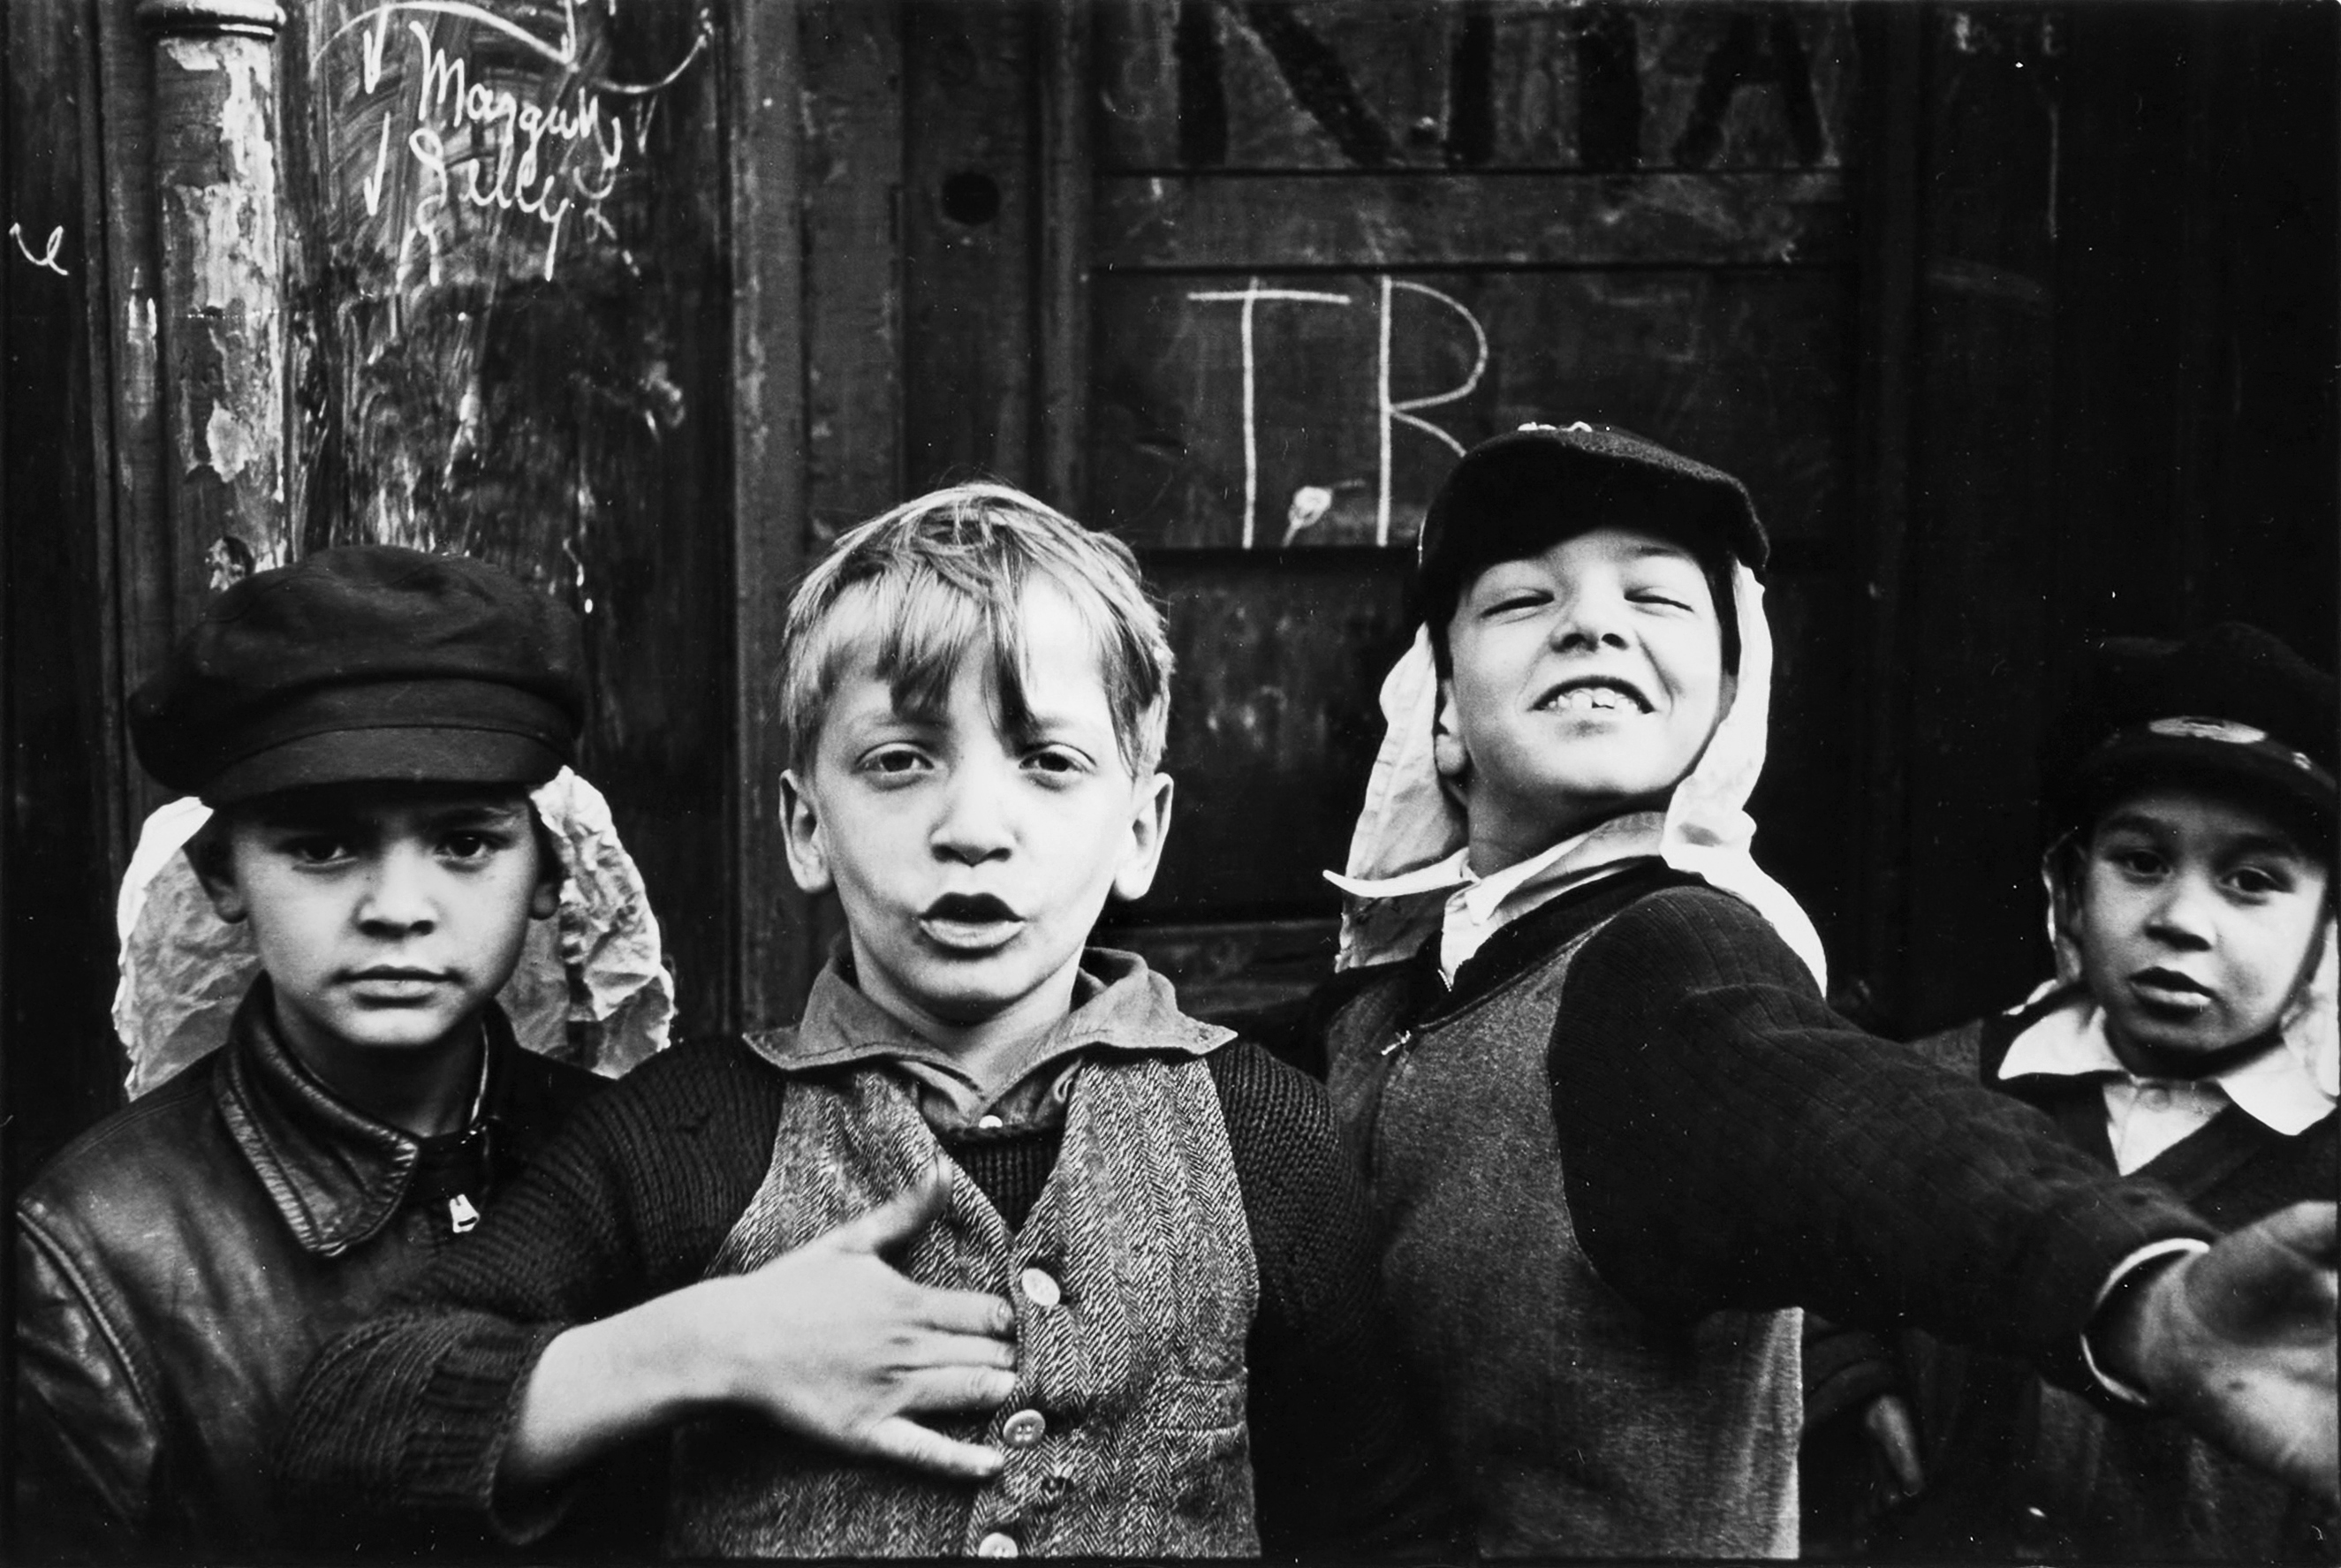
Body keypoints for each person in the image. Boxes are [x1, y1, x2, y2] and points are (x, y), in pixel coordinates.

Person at [277, 482, 1454, 1558]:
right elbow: (347, 1417)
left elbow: (1385, 1522)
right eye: (900, 760)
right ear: (806, 826)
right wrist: (707, 1344)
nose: (973, 828)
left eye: (1048, 761)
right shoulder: (691, 1130)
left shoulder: (1261, 1135)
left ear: (1139, 830)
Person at [1293, 422, 2339, 1557]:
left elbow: (1857, 1125)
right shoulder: (1395, 991)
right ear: (1441, 708)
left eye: (1656, 597)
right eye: (1520, 599)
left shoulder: (1666, 955)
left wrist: (2140, 1293)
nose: (1591, 622)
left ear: (1728, 694)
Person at [12, 546, 617, 1559]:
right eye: (322, 846)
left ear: (549, 872)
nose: (398, 908)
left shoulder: (633, 1153)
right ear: (222, 874)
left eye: (465, 841)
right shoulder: (100, 1245)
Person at [1802, 622, 2338, 1561]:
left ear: (2329, 924)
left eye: (2251, 880)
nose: (2181, 919)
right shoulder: (1934, 1082)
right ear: (2069, 883)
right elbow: (1805, 1241)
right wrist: (1851, 1375)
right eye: (2141, 862)